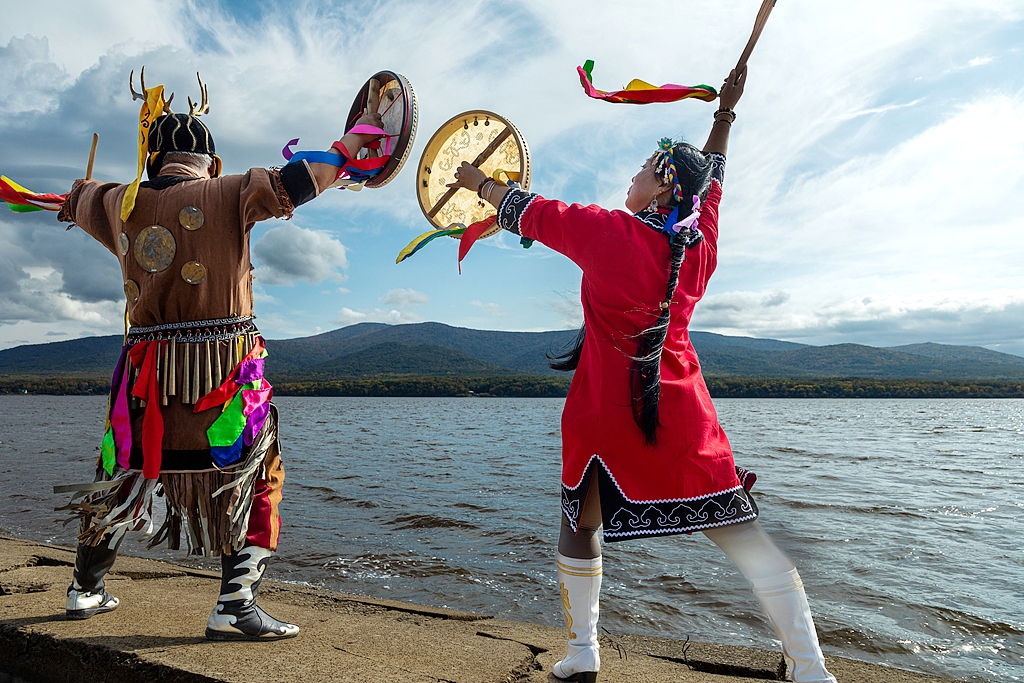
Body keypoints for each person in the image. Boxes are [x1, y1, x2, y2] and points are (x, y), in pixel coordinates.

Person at [446, 67, 837, 683]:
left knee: (578, 527)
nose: (630, 177)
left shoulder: (610, 234)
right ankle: (811, 668)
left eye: (642, 170)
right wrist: (725, 115)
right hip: (684, 413)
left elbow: (531, 210)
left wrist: (477, 182)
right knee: (747, 538)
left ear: (660, 190)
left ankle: (581, 655)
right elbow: (712, 183)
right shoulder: (699, 246)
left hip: (605, 412)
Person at [56, 70, 384, 641]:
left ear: (155, 159)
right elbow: (303, 181)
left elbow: (72, 201)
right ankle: (235, 603)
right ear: (207, 159)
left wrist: (79, 198)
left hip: (146, 387)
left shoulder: (115, 203)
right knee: (259, 476)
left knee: (119, 478)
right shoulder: (230, 191)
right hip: (223, 384)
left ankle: (85, 589)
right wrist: (355, 141)